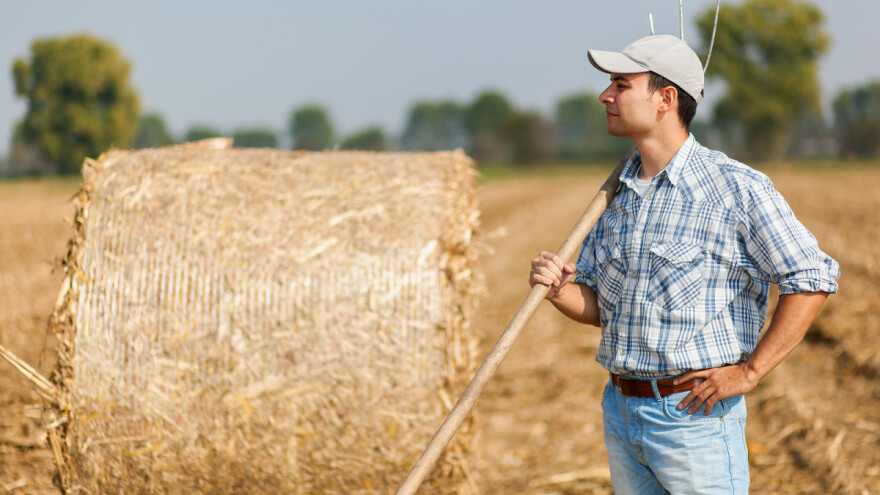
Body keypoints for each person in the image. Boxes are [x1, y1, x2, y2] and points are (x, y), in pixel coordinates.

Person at [528, 34, 839, 494]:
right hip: (621, 408)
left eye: (620, 84)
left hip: (693, 417)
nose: (605, 95)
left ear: (665, 99)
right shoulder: (615, 195)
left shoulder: (735, 188)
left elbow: (812, 277)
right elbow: (600, 309)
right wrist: (558, 290)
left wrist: (751, 372)